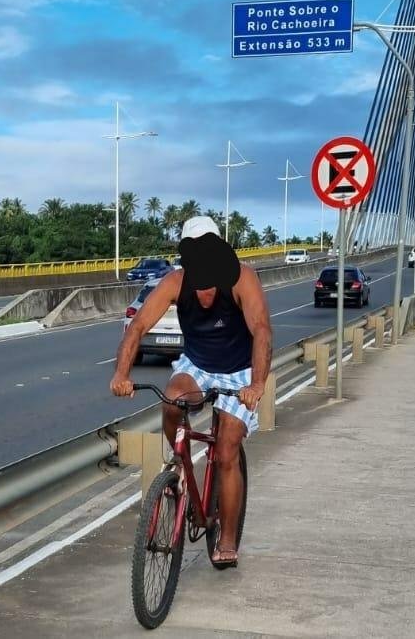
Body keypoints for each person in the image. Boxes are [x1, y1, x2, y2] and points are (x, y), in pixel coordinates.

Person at [110, 215, 272, 570]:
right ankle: (182, 469)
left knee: (227, 448)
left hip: (239, 371)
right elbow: (138, 326)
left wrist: (256, 384)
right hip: (196, 365)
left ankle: (226, 537)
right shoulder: (176, 281)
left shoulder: (242, 278)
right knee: (171, 403)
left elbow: (261, 330)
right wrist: (121, 374)